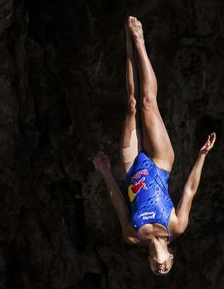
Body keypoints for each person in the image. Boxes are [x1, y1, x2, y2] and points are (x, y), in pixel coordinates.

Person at [93, 16, 216, 275]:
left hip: (131, 169)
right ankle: (139, 42)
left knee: (132, 104)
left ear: (150, 263)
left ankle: (127, 43)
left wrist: (105, 172)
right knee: (148, 103)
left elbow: (117, 202)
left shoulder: (133, 236)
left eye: (156, 269)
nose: (161, 268)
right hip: (160, 164)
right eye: (166, 268)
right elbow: (190, 190)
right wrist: (202, 156)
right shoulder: (176, 226)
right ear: (170, 258)